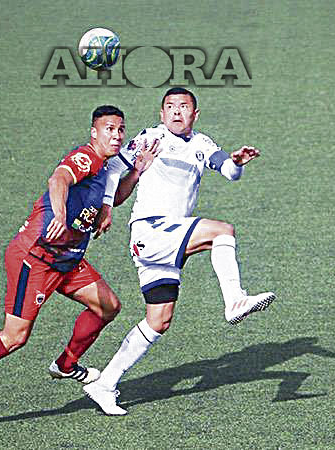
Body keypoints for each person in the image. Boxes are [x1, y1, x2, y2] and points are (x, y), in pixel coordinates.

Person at [0, 105, 157, 432]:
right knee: (15, 337)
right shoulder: (86, 158)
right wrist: (61, 215)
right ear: (94, 132)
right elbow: (59, 179)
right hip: (36, 258)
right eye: (109, 129)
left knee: (108, 306)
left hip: (67, 259)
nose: (116, 135)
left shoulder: (104, 167)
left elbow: (111, 198)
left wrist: (135, 173)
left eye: (120, 129)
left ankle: (66, 364)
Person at [83, 87, 276, 415]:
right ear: (161, 114)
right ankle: (235, 299)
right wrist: (106, 206)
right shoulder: (150, 138)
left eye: (184, 106)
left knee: (158, 320)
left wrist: (237, 162)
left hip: (168, 236)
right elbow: (114, 169)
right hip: (152, 229)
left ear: (194, 114)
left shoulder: (202, 144)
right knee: (222, 231)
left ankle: (104, 384)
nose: (176, 111)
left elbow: (229, 172)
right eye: (170, 106)